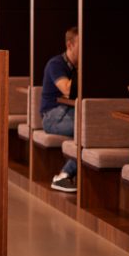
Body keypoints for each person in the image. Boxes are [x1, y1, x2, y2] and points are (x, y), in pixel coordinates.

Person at [41, 26, 79, 192]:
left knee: (90, 130)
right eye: (81, 44)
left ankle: (64, 175)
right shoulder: (56, 64)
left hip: (69, 112)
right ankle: (65, 175)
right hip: (52, 116)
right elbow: (67, 90)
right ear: (70, 45)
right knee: (87, 132)